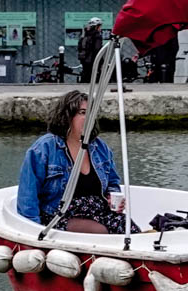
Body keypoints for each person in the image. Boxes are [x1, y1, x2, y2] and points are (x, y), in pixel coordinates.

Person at [16, 89, 124, 233]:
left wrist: (112, 198)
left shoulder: (100, 147)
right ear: (67, 116)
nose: (88, 118)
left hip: (100, 212)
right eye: (82, 113)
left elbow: (112, 183)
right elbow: (27, 196)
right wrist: (33, 231)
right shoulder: (44, 148)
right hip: (59, 216)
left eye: (91, 113)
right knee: (100, 232)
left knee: (130, 229)